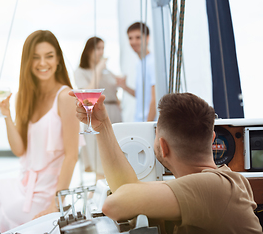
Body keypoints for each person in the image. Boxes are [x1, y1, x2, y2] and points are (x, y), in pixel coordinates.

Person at [0, 30, 81, 233]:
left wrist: (55, 204)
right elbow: (19, 150)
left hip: (45, 193)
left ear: (58, 60)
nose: (43, 63)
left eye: (49, 56)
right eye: (35, 57)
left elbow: (72, 156)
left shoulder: (66, 97)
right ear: (27, 61)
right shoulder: (23, 97)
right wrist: (7, 115)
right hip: (20, 184)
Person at [70, 91, 262, 233]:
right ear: (212, 138)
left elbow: (115, 204)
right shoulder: (223, 183)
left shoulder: (215, 187)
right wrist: (102, 125)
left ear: (162, 146)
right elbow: (127, 190)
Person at [74, 36, 122, 181]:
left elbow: (117, 87)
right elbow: (87, 93)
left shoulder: (107, 71)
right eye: (98, 48)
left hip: (114, 113)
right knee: (99, 156)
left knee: (116, 154)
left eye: (103, 48)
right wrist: (98, 69)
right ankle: (97, 190)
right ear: (89, 51)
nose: (101, 52)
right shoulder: (81, 71)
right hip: (94, 113)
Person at [116, 22, 156, 122]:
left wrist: (148, 126)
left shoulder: (152, 63)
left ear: (147, 38)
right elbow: (142, 95)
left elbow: (155, 99)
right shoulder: (140, 64)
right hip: (140, 121)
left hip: (150, 122)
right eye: (130, 38)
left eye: (138, 37)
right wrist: (124, 87)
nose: (133, 41)